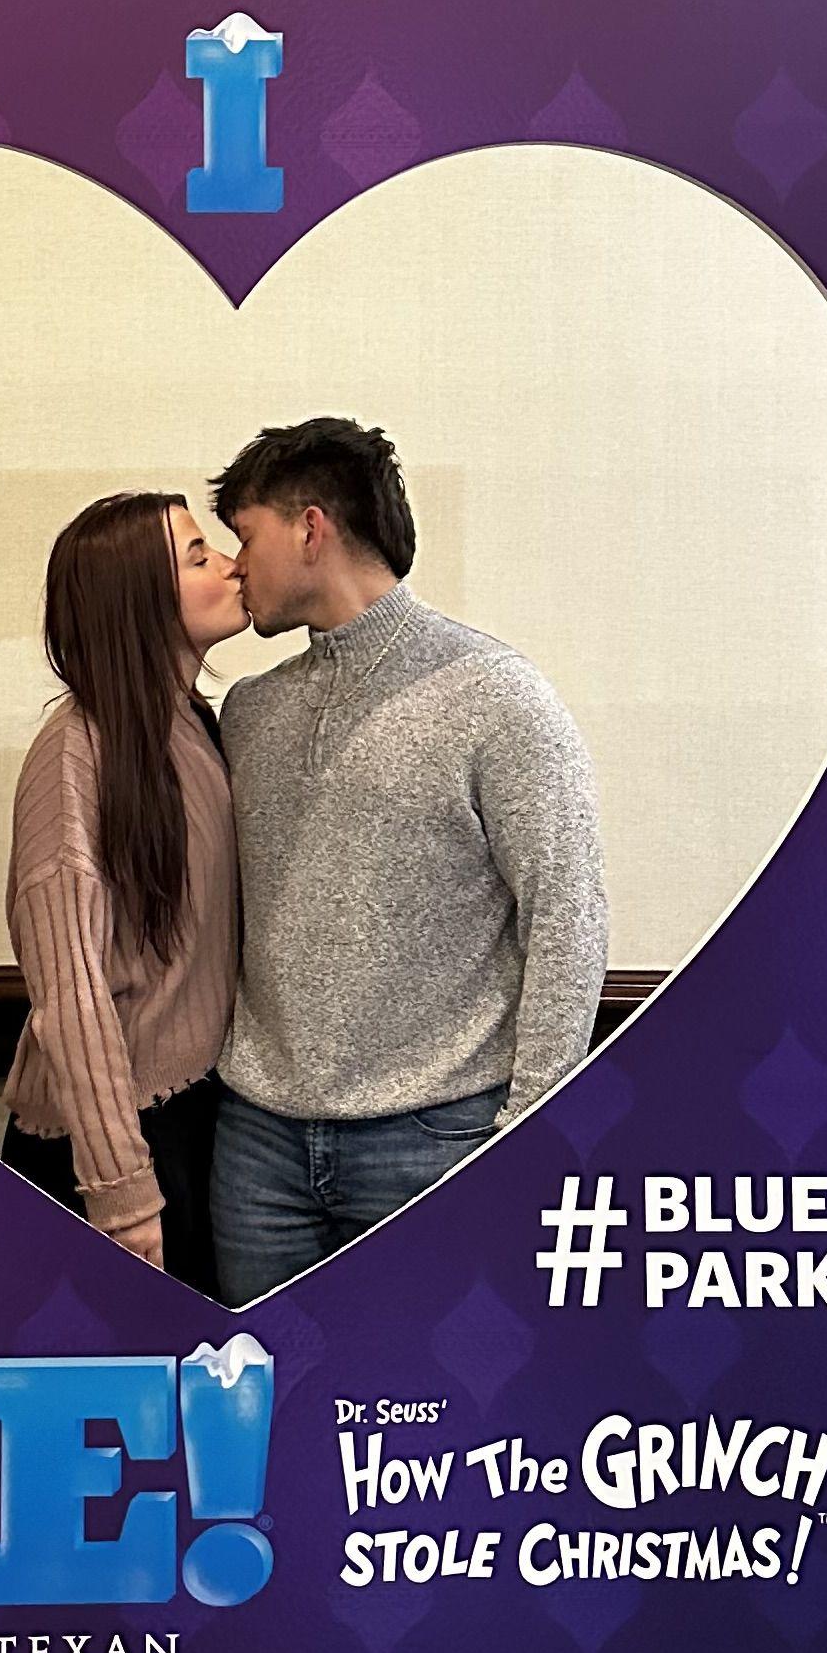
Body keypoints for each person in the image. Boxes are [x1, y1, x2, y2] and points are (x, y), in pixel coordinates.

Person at [208, 415, 607, 1296]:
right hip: (257, 1147)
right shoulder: (249, 711)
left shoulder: (497, 697)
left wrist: (527, 1136)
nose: (235, 565)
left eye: (245, 535)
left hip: (438, 1140)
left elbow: (568, 917)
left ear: (310, 529)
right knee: (265, 1385)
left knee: (429, 1387)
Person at [0, 491, 252, 1295]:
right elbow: (70, 993)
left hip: (194, 1120)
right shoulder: (74, 753)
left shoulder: (192, 725)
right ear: (138, 600)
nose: (232, 565)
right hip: (113, 1144)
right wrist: (122, 1189)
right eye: (199, 555)